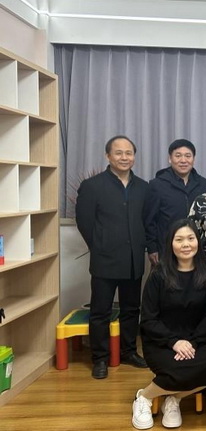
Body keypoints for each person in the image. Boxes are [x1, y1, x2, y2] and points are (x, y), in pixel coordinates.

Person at [131, 219, 206, 430]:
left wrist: (192, 343)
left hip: (196, 341)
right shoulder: (158, 275)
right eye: (179, 239)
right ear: (170, 244)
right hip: (162, 342)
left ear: (198, 241)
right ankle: (144, 397)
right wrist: (174, 342)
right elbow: (148, 319)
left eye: (191, 238)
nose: (186, 244)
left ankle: (174, 399)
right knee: (175, 368)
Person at [75, 135, 149, 379]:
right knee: (100, 312)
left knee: (131, 309)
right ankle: (100, 358)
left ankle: (128, 351)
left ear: (134, 156)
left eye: (129, 153)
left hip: (133, 260)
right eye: (118, 153)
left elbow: (146, 221)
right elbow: (84, 222)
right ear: (108, 156)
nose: (124, 157)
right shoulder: (92, 186)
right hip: (104, 260)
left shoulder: (143, 187)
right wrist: (99, 246)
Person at [145, 139, 206, 266]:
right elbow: (150, 220)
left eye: (188, 156)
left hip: (195, 248)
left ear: (194, 159)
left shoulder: (203, 184)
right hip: (166, 249)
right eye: (178, 156)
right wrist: (152, 248)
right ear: (170, 159)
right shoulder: (157, 184)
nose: (183, 160)